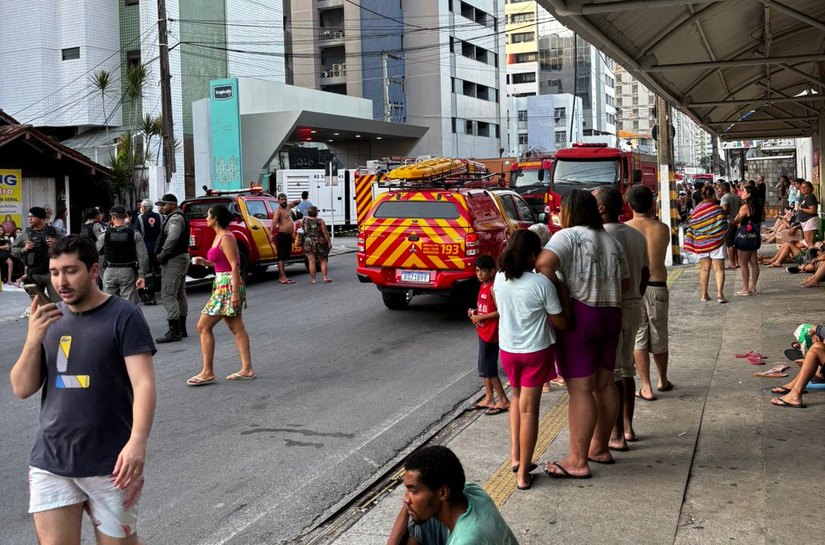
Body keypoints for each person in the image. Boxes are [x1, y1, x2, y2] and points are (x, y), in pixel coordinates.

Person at [9, 235, 156, 545]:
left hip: (111, 463)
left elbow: (143, 383)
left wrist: (137, 442)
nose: (61, 281)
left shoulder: (123, 316)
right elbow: (22, 388)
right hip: (52, 459)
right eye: (55, 272)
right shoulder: (50, 319)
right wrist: (33, 338)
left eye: (71, 270)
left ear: (93, 270)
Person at [536, 189, 628, 477]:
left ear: (569, 211)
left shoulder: (569, 235)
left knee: (580, 391)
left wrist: (558, 295)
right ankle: (599, 447)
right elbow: (625, 284)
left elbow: (543, 264)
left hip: (581, 315)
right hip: (612, 313)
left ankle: (576, 460)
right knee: (605, 384)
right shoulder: (612, 240)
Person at [495, 231, 566, 488]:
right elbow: (560, 321)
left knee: (516, 398)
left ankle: (516, 457)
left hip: (508, 351)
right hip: (535, 351)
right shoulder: (541, 284)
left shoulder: (499, 279)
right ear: (533, 256)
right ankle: (523, 473)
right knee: (529, 410)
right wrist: (559, 287)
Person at [595, 187, 649, 453]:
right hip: (633, 306)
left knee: (613, 372)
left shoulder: (602, 237)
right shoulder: (636, 236)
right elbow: (646, 273)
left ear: (602, 208)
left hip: (613, 307)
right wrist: (635, 297)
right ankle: (628, 427)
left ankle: (615, 434)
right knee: (627, 370)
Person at [187, 205, 254, 386]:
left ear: (215, 218)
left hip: (228, 285)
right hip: (222, 283)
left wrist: (234, 293)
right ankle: (246, 368)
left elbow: (234, 266)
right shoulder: (219, 236)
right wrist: (206, 262)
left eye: (208, 215)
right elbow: (222, 263)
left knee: (202, 326)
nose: (206, 218)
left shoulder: (226, 237)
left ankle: (208, 372)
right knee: (236, 328)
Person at [396, 446, 519, 545]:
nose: (405, 498)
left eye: (413, 490)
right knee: (420, 517)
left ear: (443, 493)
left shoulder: (464, 541)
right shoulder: (473, 492)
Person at [626, 185, 673, 408]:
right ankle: (662, 379)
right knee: (659, 334)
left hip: (634, 290)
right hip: (658, 286)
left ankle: (645, 386)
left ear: (629, 205)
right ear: (652, 204)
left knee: (639, 337)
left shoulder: (624, 230)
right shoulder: (662, 228)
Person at [467, 254, 510, 415]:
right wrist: (476, 312)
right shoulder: (483, 285)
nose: (479, 274)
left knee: (490, 369)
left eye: (483, 271)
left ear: (492, 271)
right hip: (483, 331)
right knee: (484, 368)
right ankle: (489, 398)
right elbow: (486, 307)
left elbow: (500, 311)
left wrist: (481, 317)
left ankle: (504, 400)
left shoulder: (493, 287)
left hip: (491, 334)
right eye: (477, 271)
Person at [154, 193, 190, 343]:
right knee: (180, 293)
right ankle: (181, 328)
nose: (161, 207)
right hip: (180, 258)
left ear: (173, 205)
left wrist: (162, 254)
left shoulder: (175, 218)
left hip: (174, 260)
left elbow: (173, 238)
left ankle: (174, 330)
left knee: (168, 295)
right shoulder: (175, 217)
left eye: (164, 204)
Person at [97, 205, 149, 304]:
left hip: (109, 271)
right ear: (126, 216)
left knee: (110, 305)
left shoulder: (105, 235)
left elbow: (95, 252)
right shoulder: (134, 234)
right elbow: (143, 257)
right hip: (128, 271)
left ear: (112, 217)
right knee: (129, 306)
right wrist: (142, 275)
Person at [685, 185, 728, 303]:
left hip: (702, 242)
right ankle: (720, 295)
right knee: (719, 269)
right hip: (717, 242)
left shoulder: (696, 210)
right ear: (713, 195)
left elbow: (692, 224)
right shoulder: (718, 209)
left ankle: (704, 295)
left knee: (704, 269)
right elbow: (724, 224)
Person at [11, 207, 62, 302]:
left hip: (52, 272)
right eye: (29, 216)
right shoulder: (25, 234)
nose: (29, 219)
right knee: (38, 303)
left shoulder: (54, 232)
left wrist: (57, 243)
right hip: (34, 274)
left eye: (33, 216)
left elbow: (69, 246)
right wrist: (24, 249)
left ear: (42, 218)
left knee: (58, 303)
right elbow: (13, 250)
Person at [732, 185, 764, 296]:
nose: (741, 193)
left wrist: (737, 216)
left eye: (744, 191)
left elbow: (736, 220)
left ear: (749, 194)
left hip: (745, 236)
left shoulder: (746, 207)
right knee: (754, 262)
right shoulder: (758, 206)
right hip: (754, 236)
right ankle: (753, 287)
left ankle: (745, 289)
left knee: (743, 262)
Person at [136, 199, 162, 306]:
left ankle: (144, 294)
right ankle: (152, 295)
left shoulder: (140, 218)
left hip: (144, 247)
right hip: (158, 247)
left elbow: (136, 233)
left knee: (144, 271)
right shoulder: (160, 217)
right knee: (155, 271)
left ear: (144, 208)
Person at [271, 193, 298, 284]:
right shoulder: (278, 211)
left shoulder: (288, 207)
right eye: (282, 199)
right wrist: (271, 234)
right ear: (278, 201)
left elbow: (294, 203)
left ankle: (281, 276)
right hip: (282, 235)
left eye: (285, 199)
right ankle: (283, 277)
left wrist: (299, 200)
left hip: (288, 236)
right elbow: (274, 222)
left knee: (285, 256)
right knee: (281, 257)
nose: (284, 201)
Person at [302, 205, 332, 284]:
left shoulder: (304, 220)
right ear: (316, 213)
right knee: (322, 260)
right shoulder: (320, 221)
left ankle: (313, 279)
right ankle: (325, 277)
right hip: (319, 242)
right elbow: (325, 232)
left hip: (308, 242)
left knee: (311, 262)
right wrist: (329, 241)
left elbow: (302, 231)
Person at [717, 181, 741, 269]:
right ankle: (738, 262)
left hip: (728, 221)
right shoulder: (737, 197)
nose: (718, 192)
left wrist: (722, 214)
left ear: (723, 190)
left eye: (719, 190)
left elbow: (725, 208)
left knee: (730, 244)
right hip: (737, 222)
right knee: (736, 244)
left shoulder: (724, 198)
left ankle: (732, 263)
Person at [796, 181, 819, 247]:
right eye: (802, 187)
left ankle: (813, 256)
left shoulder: (810, 197)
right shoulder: (805, 196)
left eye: (805, 187)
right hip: (805, 221)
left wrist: (801, 209)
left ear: (810, 188)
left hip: (810, 221)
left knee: (809, 242)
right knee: (807, 241)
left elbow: (813, 210)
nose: (803, 189)